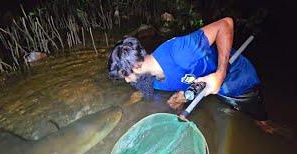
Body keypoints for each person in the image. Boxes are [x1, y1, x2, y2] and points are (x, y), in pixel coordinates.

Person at [107, 17, 291, 137]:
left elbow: (225, 24)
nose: (126, 80)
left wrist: (220, 73)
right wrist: (183, 95)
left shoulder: (179, 51)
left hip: (238, 79)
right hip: (212, 88)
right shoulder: (150, 79)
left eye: (125, 75)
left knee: (262, 124)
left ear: (136, 65)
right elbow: (187, 80)